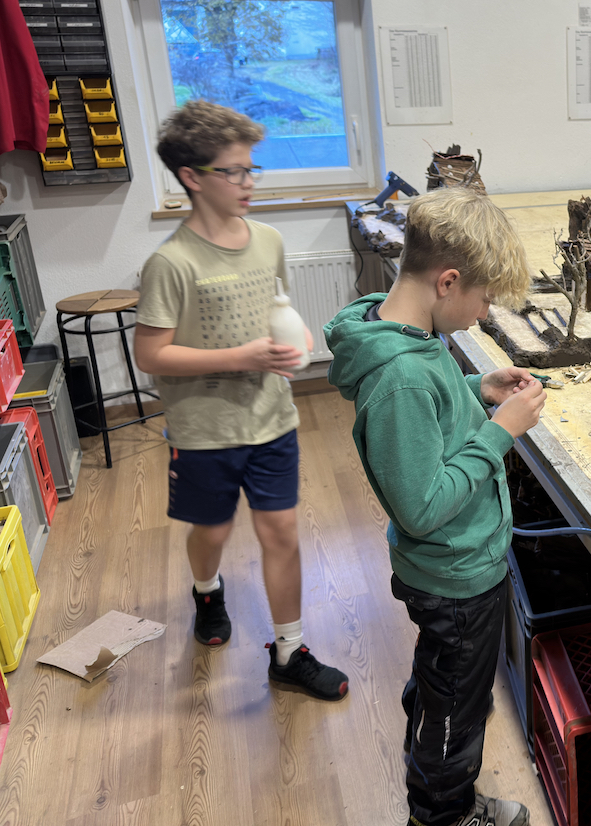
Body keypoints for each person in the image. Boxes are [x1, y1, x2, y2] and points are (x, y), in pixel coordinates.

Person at [324, 188, 545, 826]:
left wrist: (477, 389)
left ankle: (432, 757)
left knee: (443, 685)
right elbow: (421, 507)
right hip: (454, 578)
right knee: (458, 712)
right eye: (484, 299)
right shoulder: (400, 376)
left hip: (459, 571)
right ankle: (442, 812)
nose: (483, 314)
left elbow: (434, 413)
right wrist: (500, 433)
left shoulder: (412, 337)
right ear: (448, 282)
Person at [134, 100, 349, 701]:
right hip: (204, 432)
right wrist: (243, 357)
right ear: (192, 177)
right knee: (213, 530)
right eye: (233, 171)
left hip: (272, 421)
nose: (248, 182)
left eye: (252, 169)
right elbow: (150, 354)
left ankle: (288, 652)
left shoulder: (269, 241)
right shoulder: (170, 263)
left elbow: (277, 311)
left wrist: (297, 336)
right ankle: (207, 591)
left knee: (281, 532)